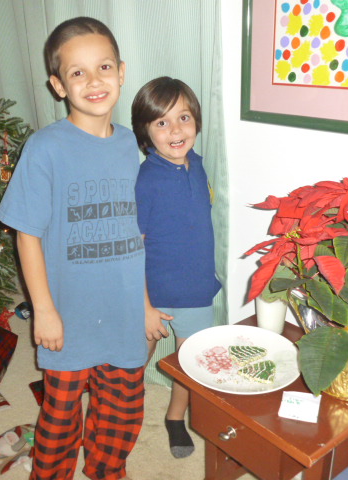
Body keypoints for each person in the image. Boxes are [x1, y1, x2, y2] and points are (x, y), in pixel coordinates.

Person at [0, 17, 147, 480]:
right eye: (78, 72)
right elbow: (27, 234)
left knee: (122, 411)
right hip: (68, 314)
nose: (94, 80)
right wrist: (43, 311)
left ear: (121, 71)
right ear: (58, 86)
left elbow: (139, 230)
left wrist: (145, 303)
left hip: (123, 311)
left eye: (104, 67)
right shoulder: (45, 148)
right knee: (60, 417)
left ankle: (107, 470)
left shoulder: (132, 144)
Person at [132, 77, 221, 459]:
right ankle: (122, 406)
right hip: (151, 292)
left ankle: (174, 417)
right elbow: (133, 246)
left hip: (196, 290)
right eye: (162, 122)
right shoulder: (145, 180)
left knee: (190, 364)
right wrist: (144, 307)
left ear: (196, 120)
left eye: (183, 117)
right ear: (146, 132)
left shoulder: (197, 165)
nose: (176, 130)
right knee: (134, 358)